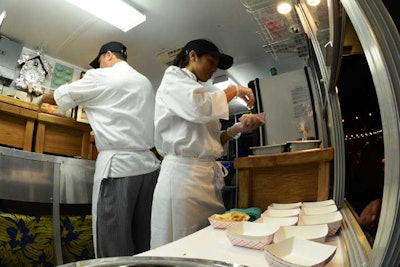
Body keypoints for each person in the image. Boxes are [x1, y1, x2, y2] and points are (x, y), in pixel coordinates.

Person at [41, 41, 160, 257]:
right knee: (144, 242)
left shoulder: (101, 76)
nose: (99, 67)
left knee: (113, 245)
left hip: (119, 170)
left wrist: (41, 97)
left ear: (108, 56)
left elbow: (61, 95)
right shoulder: (145, 82)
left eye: (99, 63)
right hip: (148, 170)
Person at [150, 38, 265, 248]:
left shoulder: (198, 91)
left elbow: (211, 142)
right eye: (211, 62)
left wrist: (238, 129)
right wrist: (235, 90)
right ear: (192, 56)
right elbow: (198, 108)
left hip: (205, 179)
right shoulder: (173, 79)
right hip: (183, 180)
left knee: (208, 243)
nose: (213, 70)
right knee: (182, 245)